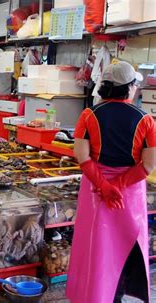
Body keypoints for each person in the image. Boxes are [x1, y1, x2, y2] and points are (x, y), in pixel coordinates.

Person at [67, 61, 156, 303]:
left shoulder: (89, 115)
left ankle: (93, 295)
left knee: (95, 246)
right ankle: (117, 295)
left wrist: (105, 186)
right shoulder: (146, 120)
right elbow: (148, 165)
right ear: (129, 88)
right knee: (128, 243)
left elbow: (82, 158)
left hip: (95, 189)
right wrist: (117, 186)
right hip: (129, 192)